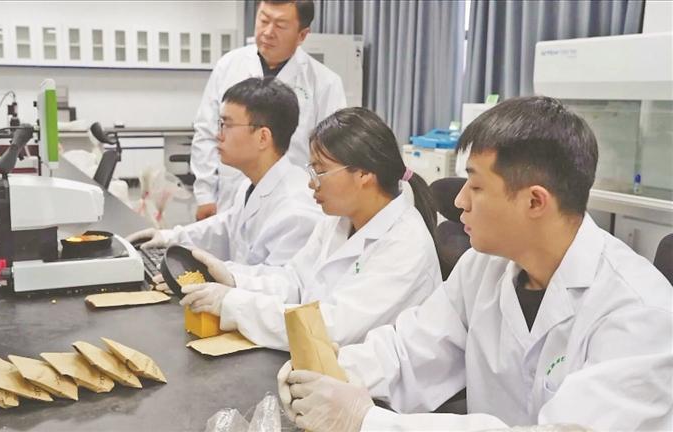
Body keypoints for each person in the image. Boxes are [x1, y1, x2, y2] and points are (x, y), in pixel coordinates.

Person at [277, 96, 673, 431]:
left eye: (477, 185)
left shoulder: (640, 313)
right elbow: (409, 350)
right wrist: (330, 370)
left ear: (535, 201)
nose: (460, 200)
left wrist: (364, 420)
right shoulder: (483, 268)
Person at [179, 107, 442, 350]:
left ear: (363, 174)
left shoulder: (405, 245)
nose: (311, 184)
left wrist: (233, 304)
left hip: (366, 377)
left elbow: (332, 328)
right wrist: (233, 279)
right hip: (323, 362)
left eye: (320, 171)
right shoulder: (339, 220)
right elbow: (296, 280)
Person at [127, 78, 322, 275]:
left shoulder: (296, 213)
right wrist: (170, 238)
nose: (218, 135)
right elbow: (225, 227)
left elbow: (278, 284)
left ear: (263, 137)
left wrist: (209, 277)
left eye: (226, 125)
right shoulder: (251, 184)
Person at [191, 0, 346, 221]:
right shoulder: (229, 66)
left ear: (302, 35)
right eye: (263, 20)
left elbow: (332, 154)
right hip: (232, 195)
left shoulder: (324, 83)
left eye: (280, 25)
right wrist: (204, 194)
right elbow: (207, 132)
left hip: (294, 203)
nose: (268, 32)